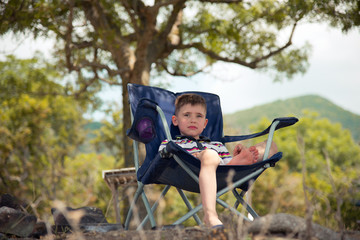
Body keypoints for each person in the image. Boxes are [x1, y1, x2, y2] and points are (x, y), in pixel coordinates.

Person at [158, 94, 277, 228]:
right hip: (189, 173)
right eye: (186, 115)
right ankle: (210, 215)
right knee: (210, 155)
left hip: (222, 173)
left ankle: (241, 160)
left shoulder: (217, 145)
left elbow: (225, 165)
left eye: (199, 116)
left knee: (270, 145)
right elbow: (163, 160)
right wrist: (196, 155)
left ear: (205, 123)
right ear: (175, 120)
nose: (193, 120)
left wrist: (236, 157)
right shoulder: (171, 143)